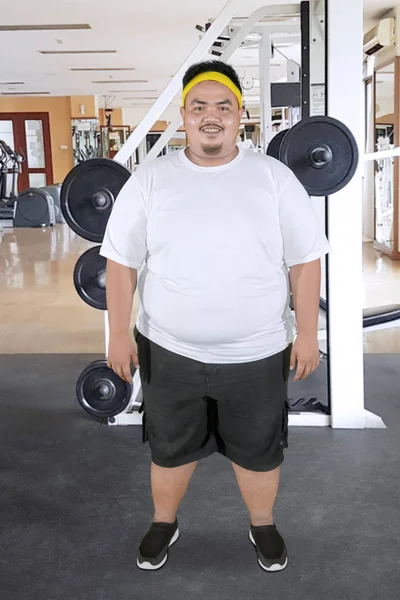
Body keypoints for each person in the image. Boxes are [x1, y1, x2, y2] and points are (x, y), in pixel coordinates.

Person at [100, 60, 330, 573]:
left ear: (238, 115)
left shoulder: (274, 178)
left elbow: (305, 259)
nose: (211, 117)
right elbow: (121, 262)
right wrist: (117, 334)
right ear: (183, 115)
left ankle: (263, 525)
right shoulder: (151, 179)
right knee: (169, 448)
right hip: (169, 349)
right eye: (199, 107)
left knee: (259, 452)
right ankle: (165, 521)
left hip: (258, 350)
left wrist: (309, 332)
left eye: (222, 107)